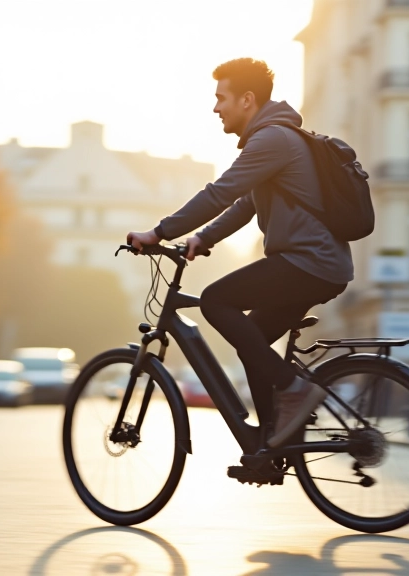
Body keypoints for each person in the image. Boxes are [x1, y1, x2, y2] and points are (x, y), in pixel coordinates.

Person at [126, 58, 353, 449]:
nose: (216, 108)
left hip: (308, 263)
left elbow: (220, 192)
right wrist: (205, 238)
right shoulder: (277, 138)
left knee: (216, 301)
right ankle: (270, 442)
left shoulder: (273, 139)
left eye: (221, 98)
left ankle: (293, 390)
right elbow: (247, 203)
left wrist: (159, 232)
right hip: (318, 264)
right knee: (254, 343)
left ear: (247, 100)